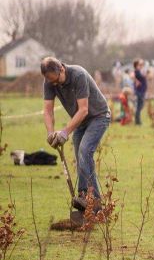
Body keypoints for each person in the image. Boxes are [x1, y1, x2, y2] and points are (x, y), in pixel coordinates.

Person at [41, 57, 111, 209]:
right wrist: (50, 133)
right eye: (51, 82)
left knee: (84, 151)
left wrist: (65, 132)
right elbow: (47, 110)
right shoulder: (49, 81)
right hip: (80, 120)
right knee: (81, 158)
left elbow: (84, 109)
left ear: (62, 69)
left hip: (98, 116)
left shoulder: (78, 75)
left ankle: (91, 199)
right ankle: (89, 200)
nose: (54, 84)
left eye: (56, 81)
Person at [133, 59, 147, 126]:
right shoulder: (137, 72)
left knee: (140, 106)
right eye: (139, 65)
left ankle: (137, 121)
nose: (141, 66)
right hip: (139, 92)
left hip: (142, 91)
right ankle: (137, 121)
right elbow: (142, 76)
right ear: (136, 65)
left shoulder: (139, 71)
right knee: (139, 106)